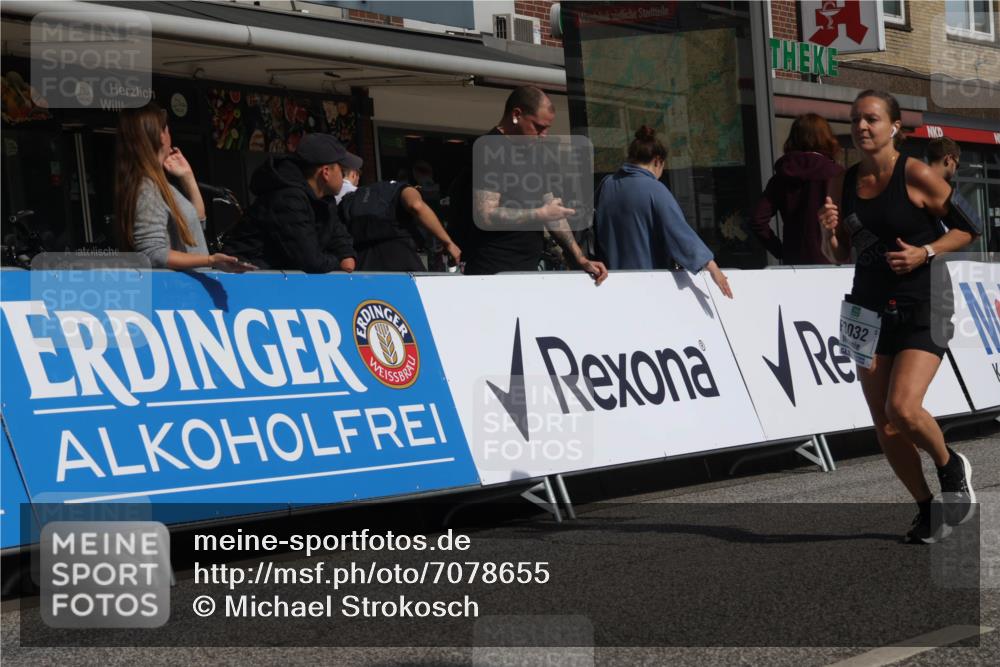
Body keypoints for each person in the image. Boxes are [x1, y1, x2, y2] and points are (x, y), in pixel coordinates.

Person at [819, 90, 981, 544]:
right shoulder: (841, 184)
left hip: (923, 301)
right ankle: (927, 508)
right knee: (884, 423)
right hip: (867, 308)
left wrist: (925, 251)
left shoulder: (916, 174)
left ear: (895, 127)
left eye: (871, 119)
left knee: (903, 407)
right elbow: (836, 256)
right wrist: (826, 231)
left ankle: (950, 465)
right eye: (855, 120)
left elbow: (970, 228)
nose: (862, 127)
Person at [451, 85, 607, 284]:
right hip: (492, 271)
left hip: (528, 269)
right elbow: (486, 214)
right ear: (516, 114)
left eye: (547, 128)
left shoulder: (535, 153)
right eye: (538, 127)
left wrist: (579, 257)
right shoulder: (489, 150)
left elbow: (552, 212)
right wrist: (540, 214)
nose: (544, 135)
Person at [595, 126, 732, 298]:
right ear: (658, 161)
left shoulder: (607, 184)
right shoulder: (655, 190)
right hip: (647, 285)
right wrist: (713, 268)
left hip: (609, 284)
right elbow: (679, 233)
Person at [114, 102, 253, 272]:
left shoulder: (158, 185)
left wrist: (188, 178)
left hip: (186, 292)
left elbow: (197, 225)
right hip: (176, 294)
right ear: (161, 136)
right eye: (167, 129)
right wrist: (210, 260)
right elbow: (153, 252)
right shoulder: (147, 188)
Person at [223, 133, 358, 273]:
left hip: (275, 279)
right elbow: (310, 261)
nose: (343, 177)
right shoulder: (287, 198)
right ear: (326, 172)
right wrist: (339, 264)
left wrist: (347, 255)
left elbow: (339, 237)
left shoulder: (324, 199)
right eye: (341, 170)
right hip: (245, 278)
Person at [750, 114, 844, 264]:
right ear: (827, 138)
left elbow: (757, 219)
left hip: (794, 261)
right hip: (833, 259)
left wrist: (780, 250)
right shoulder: (837, 175)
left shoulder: (781, 177)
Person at [339, 179, 461, 271]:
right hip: (402, 265)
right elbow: (416, 205)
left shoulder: (351, 199)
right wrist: (448, 242)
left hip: (362, 270)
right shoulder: (401, 189)